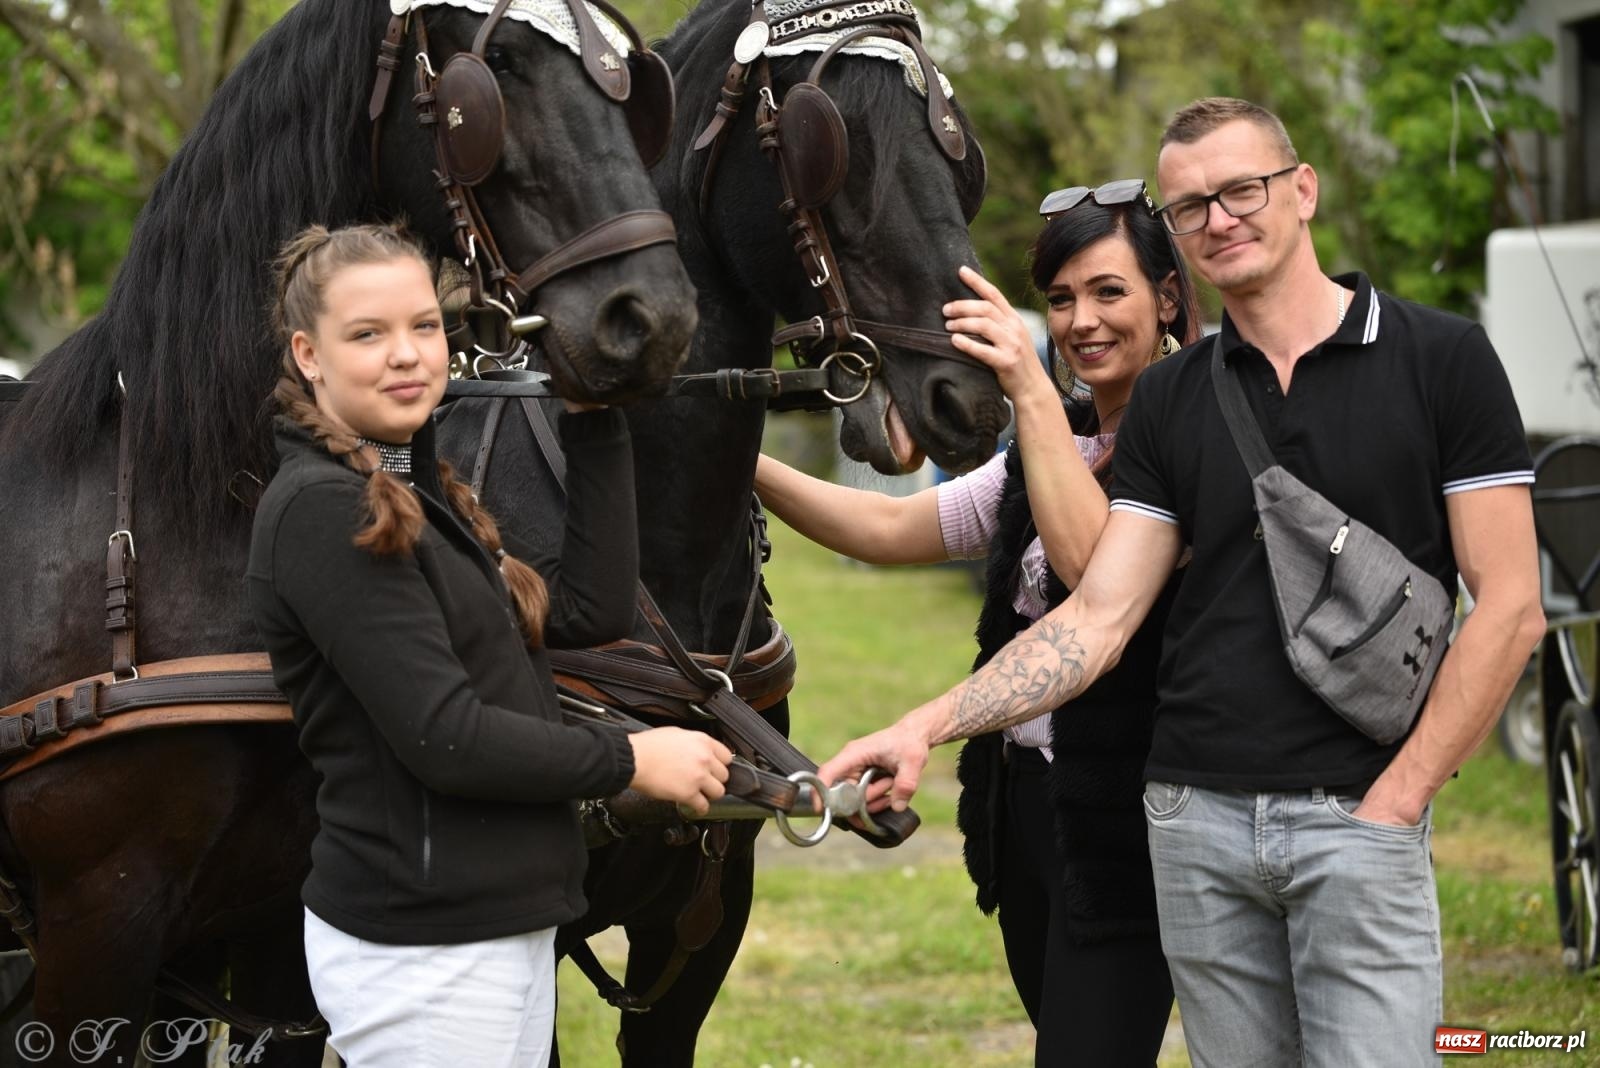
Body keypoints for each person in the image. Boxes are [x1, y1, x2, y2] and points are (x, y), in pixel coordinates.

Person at [819, 97, 1546, 1067]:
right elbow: (1097, 615)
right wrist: (923, 725)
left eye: (1241, 190)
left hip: (1356, 820)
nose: (1219, 219)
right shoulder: (1170, 397)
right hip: (1194, 827)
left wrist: (1398, 800)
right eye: (1192, 204)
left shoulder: (1442, 360)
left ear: (1302, 189)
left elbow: (1510, 606)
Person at [246, 223, 733, 1068]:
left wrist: (592, 417)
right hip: (425, 950)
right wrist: (631, 760)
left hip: (491, 927)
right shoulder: (324, 508)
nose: (407, 354)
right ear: (309, 355)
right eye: (368, 334)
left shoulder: (410, 488)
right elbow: (448, 736)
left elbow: (590, 609)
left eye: (424, 326)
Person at [757, 182, 1201, 1065]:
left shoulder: (1194, 433)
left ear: (1167, 299)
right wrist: (736, 458)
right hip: (1028, 808)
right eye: (1061, 299)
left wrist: (1028, 388)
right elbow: (887, 527)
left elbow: (1092, 580)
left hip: (1124, 823)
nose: (1081, 321)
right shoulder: (1060, 438)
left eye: (1108, 291)